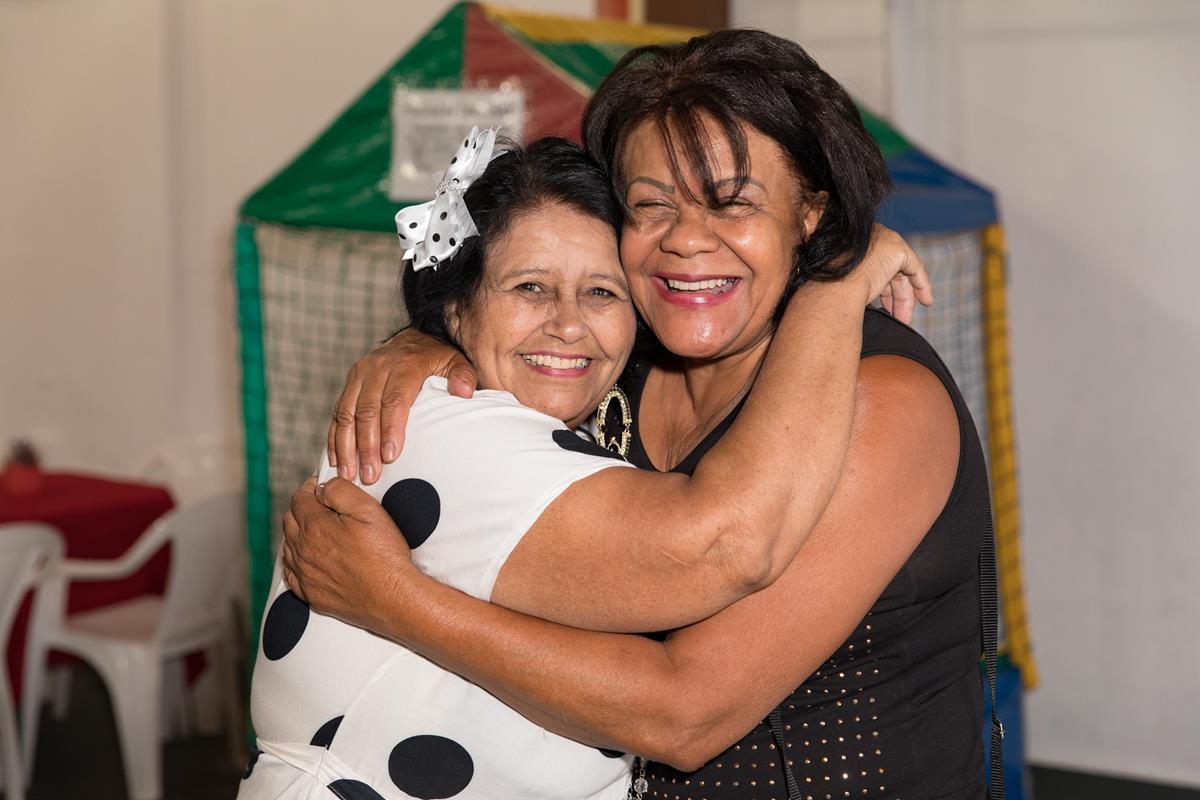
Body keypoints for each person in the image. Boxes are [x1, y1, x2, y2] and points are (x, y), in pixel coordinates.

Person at [286, 30, 988, 800]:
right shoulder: (621, 360)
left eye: (733, 204)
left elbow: (687, 711)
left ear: (811, 215)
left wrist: (396, 601)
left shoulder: (880, 399)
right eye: (651, 205)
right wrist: (424, 342)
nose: (685, 240)